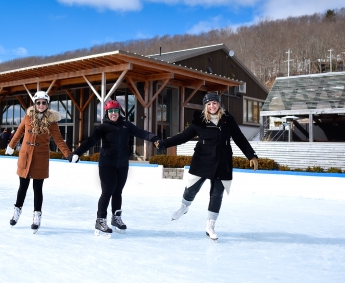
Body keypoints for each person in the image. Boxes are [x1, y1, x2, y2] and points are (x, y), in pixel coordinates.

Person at [155, 92, 258, 241]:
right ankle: (184, 207)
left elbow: (239, 138)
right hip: (202, 160)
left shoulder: (228, 119)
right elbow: (183, 137)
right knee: (191, 188)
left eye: (214, 103)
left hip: (222, 162)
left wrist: (251, 155)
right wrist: (164, 143)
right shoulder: (200, 121)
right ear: (205, 106)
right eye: (209, 104)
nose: (212, 106)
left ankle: (210, 225)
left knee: (217, 194)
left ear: (219, 104)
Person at [68, 99, 160, 237]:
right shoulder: (103, 127)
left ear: (119, 112)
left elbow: (141, 132)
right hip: (107, 164)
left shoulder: (126, 125)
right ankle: (100, 220)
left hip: (123, 165)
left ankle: (116, 218)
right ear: (107, 113)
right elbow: (91, 141)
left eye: (115, 111)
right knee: (107, 192)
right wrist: (77, 153)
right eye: (110, 111)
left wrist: (154, 138)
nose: (113, 114)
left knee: (118, 192)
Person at [5, 91, 71, 233]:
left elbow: (59, 140)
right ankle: (17, 211)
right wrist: (11, 146)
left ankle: (37, 216)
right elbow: (18, 133)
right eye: (38, 102)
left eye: (44, 103)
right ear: (35, 104)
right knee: (22, 187)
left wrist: (68, 154)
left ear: (47, 104)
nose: (41, 105)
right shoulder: (27, 118)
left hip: (40, 158)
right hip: (25, 156)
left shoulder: (52, 122)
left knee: (37, 189)